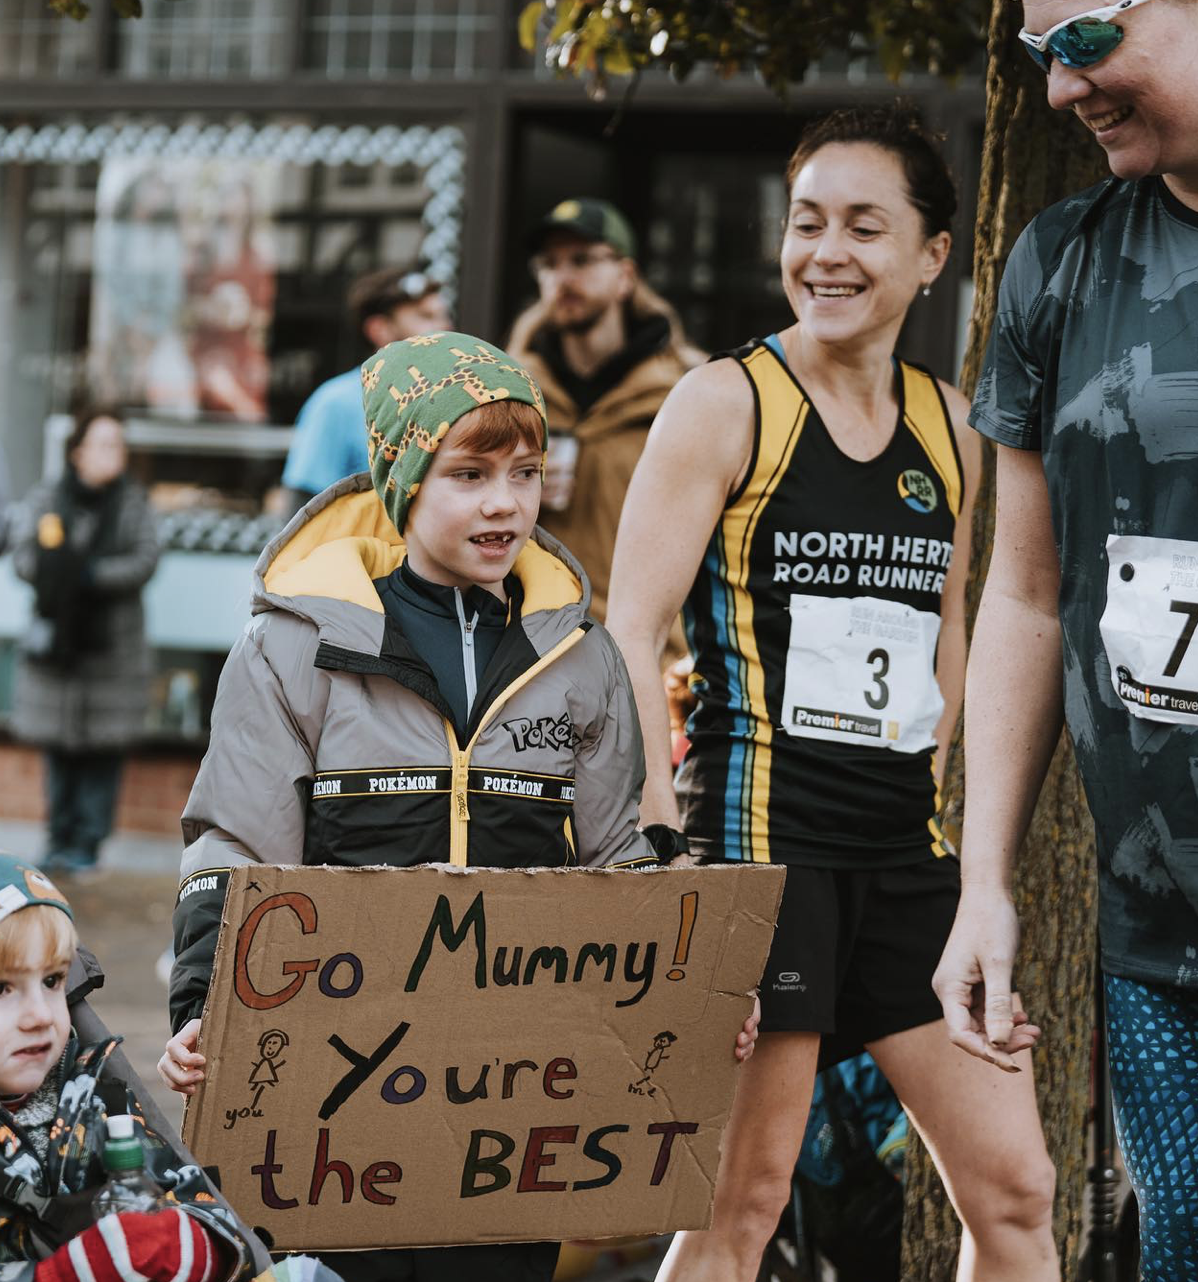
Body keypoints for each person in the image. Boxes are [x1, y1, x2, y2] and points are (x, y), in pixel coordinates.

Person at [156, 332, 759, 1282]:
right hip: (339, 1095)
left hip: (515, 1102)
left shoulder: (583, 658)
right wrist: (200, 1010)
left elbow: (614, 863)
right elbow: (233, 841)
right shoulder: (291, 648)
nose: (504, 502)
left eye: (526, 472)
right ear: (401, 480)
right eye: (469, 474)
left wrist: (685, 1005)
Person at [606, 105, 1059, 1282]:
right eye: (807, 223)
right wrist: (663, 841)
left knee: (1014, 1188)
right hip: (764, 852)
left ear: (931, 255)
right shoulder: (723, 405)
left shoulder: (952, 428)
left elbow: (949, 621)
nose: (827, 254)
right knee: (741, 1203)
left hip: (906, 858)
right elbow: (628, 628)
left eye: (865, 226)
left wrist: (950, 800)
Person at [932, 3, 1198, 1277]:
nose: (1056, 88)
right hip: (1154, 930)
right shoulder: (1059, 257)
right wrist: (985, 879)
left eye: (1086, 33)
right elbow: (1026, 592)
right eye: (1043, 51)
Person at [0, 852, 252, 1281]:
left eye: (52, 981)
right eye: (4, 988)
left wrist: (198, 1247)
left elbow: (198, 1201)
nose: (41, 1015)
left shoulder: (97, 1100)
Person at [507, 198, 702, 631]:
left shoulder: (688, 391)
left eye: (581, 259)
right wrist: (513, 484)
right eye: (549, 264)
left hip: (647, 652)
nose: (563, 277)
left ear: (625, 276)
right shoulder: (507, 390)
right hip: (530, 646)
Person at [10, 409, 160, 873]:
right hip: (57, 646)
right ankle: (58, 838)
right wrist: (65, 573)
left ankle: (87, 845)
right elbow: (23, 556)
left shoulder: (135, 503)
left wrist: (88, 573)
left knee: (102, 751)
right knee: (59, 749)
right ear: (78, 451)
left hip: (113, 649)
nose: (113, 453)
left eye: (118, 444)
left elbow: (145, 561)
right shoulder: (47, 499)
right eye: (103, 443)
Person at [280, 267, 452, 514]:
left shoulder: (452, 397)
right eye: (425, 316)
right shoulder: (336, 402)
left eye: (444, 315)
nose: (444, 327)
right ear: (379, 329)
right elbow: (302, 509)